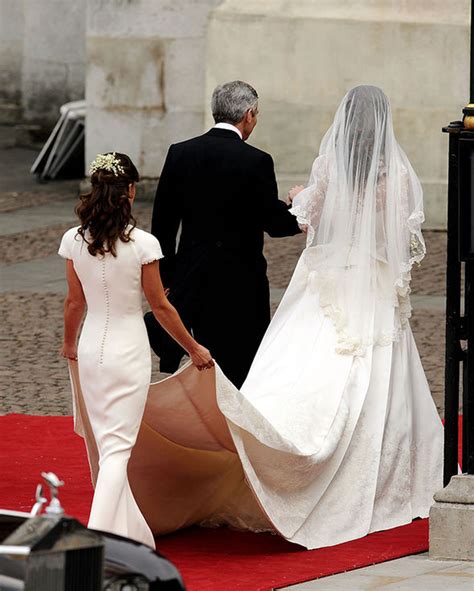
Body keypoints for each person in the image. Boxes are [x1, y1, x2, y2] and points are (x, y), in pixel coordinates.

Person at [112, 85, 441, 550]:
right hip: (361, 281)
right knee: (366, 368)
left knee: (294, 360)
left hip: (277, 277)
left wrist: (303, 198)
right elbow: (388, 240)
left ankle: (234, 428)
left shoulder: (189, 153)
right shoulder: (398, 178)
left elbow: (165, 219)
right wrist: (297, 208)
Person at [59, 152, 213, 548]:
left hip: (93, 347)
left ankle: (132, 534)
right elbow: (160, 306)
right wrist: (193, 348)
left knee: (110, 444)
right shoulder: (144, 244)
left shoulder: (74, 241)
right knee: (117, 449)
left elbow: (74, 303)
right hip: (128, 352)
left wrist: (69, 343)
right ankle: (95, 543)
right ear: (130, 191)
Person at [146, 80, 301, 387]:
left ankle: (203, 424)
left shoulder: (180, 153)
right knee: (242, 366)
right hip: (241, 281)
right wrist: (298, 206)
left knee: (201, 362)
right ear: (249, 114)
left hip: (192, 276)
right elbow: (275, 223)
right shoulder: (256, 160)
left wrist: (166, 278)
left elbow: (162, 223)